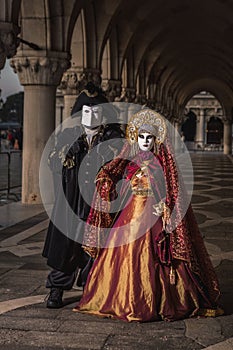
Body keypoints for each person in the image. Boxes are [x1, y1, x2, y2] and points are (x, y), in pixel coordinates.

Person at [74, 108, 223, 322]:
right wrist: (106, 183)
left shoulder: (163, 163)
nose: (144, 141)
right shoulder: (129, 158)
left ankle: (158, 300)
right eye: (141, 137)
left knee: (156, 256)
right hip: (131, 212)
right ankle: (121, 299)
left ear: (156, 140)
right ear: (136, 138)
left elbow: (172, 189)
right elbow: (110, 172)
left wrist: (166, 207)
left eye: (149, 138)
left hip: (154, 214)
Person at [42, 82, 124, 308]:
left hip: (100, 202)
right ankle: (56, 289)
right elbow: (52, 163)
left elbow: (121, 168)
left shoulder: (113, 137)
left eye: (96, 111)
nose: (91, 115)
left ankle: (92, 288)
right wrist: (67, 153)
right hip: (72, 199)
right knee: (66, 245)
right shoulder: (68, 135)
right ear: (80, 112)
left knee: (96, 244)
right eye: (86, 111)